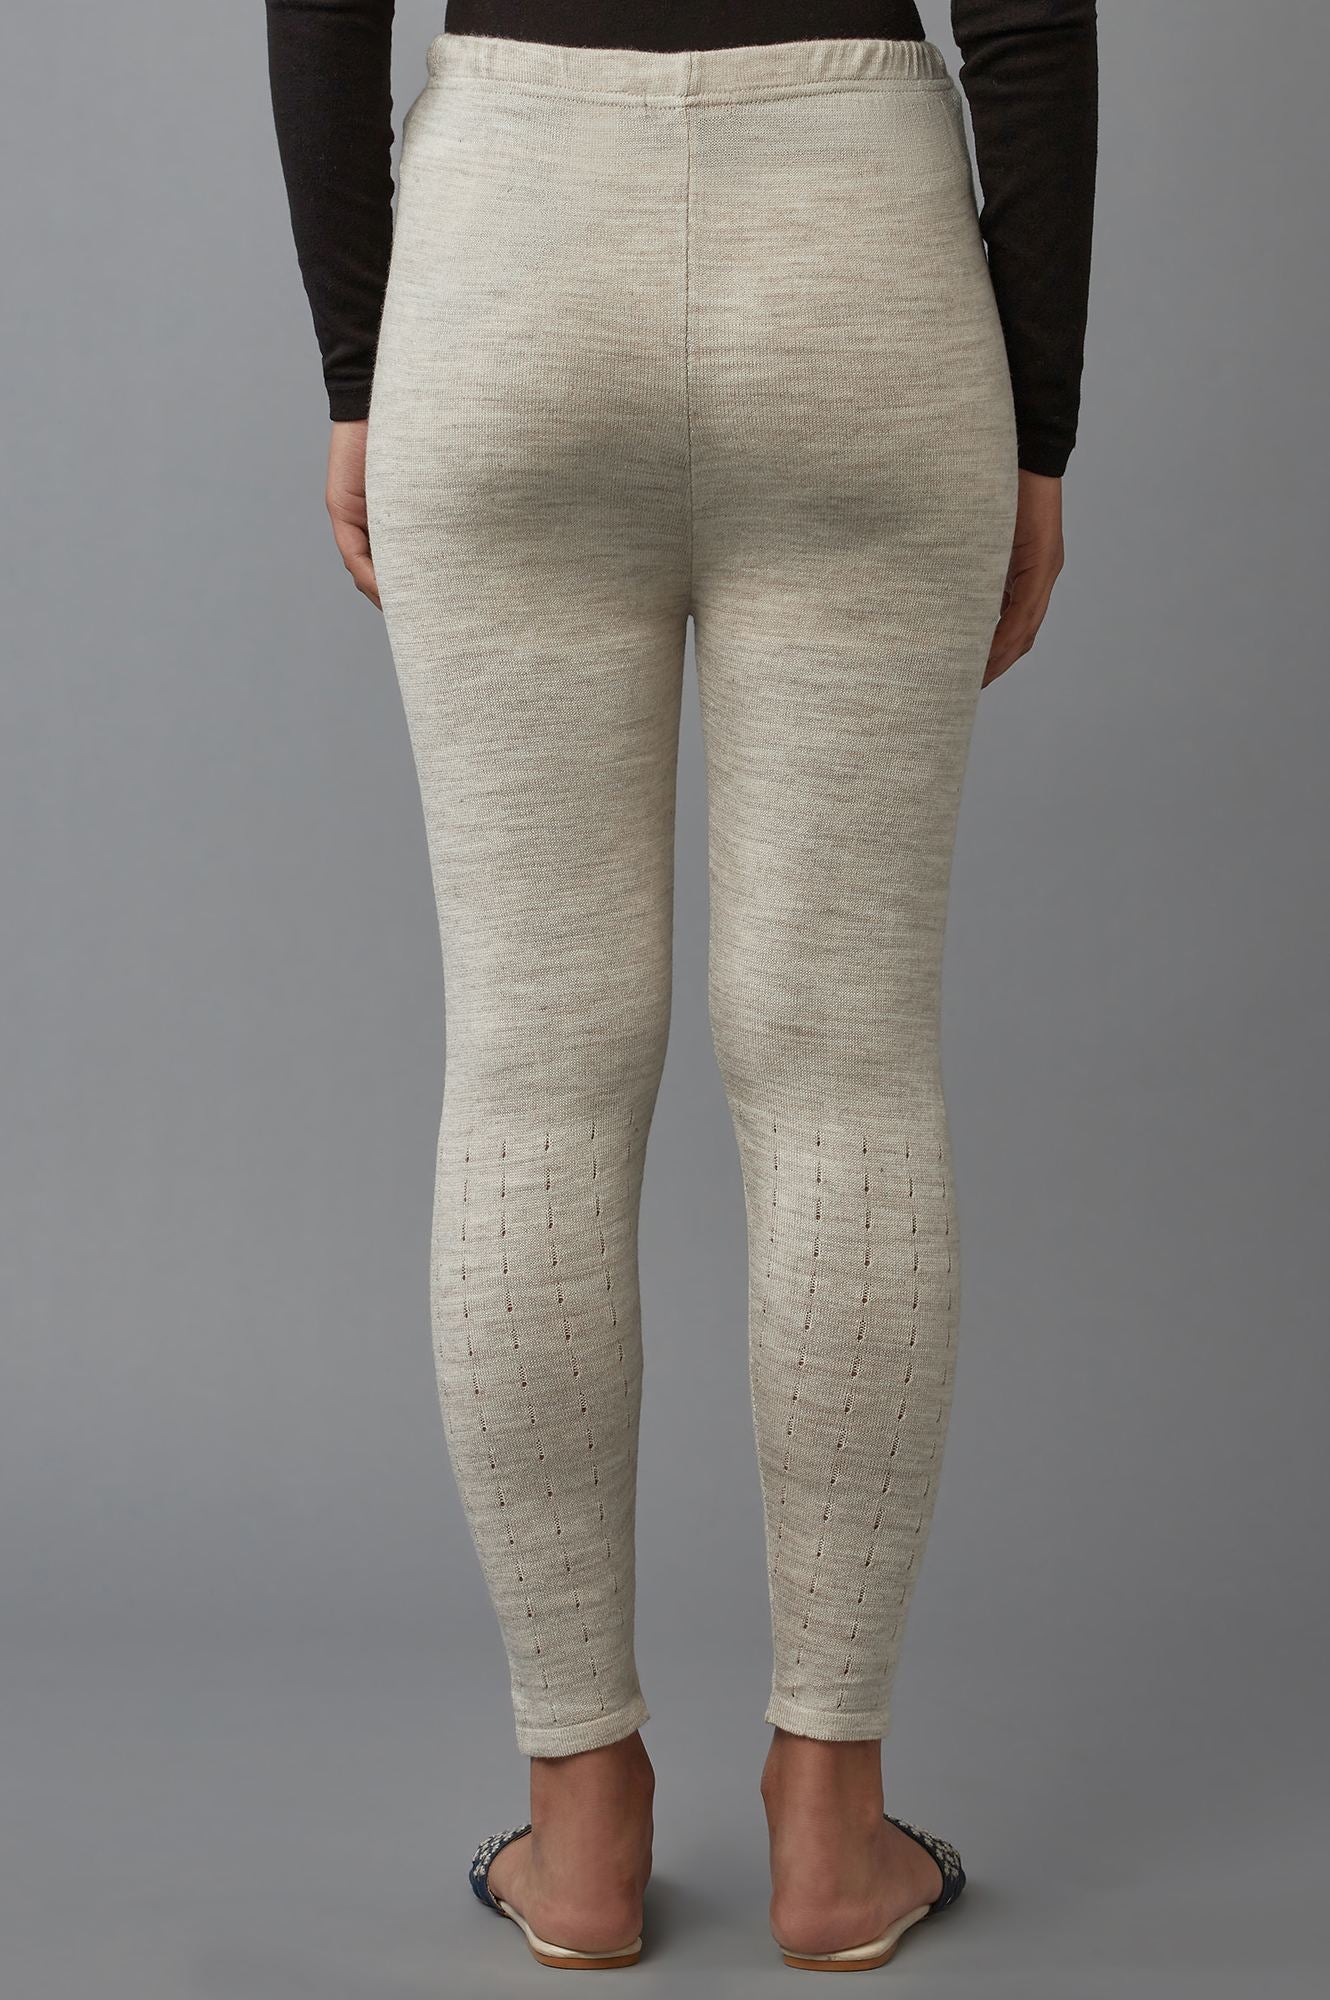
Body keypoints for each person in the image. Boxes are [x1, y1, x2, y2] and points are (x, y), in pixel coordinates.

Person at [265, 0, 1096, 1972]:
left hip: (510, 255)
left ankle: (579, 1826)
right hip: (858, 262)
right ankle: (831, 1824)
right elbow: (1030, 19)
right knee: (842, 1065)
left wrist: (363, 367)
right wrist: (1033, 423)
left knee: (532, 1069)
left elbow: (317, 11)